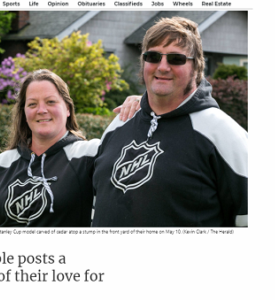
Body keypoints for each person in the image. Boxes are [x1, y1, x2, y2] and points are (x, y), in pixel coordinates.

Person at [92, 17, 248, 227]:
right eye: (153, 56)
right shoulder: (119, 124)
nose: (162, 67)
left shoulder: (223, 134)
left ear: (196, 66)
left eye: (176, 59)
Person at [0, 69, 138, 227]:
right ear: (24, 112)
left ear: (67, 108)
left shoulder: (89, 155)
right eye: (32, 104)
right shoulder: (1, 164)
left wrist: (142, 101)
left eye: (51, 102)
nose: (41, 110)